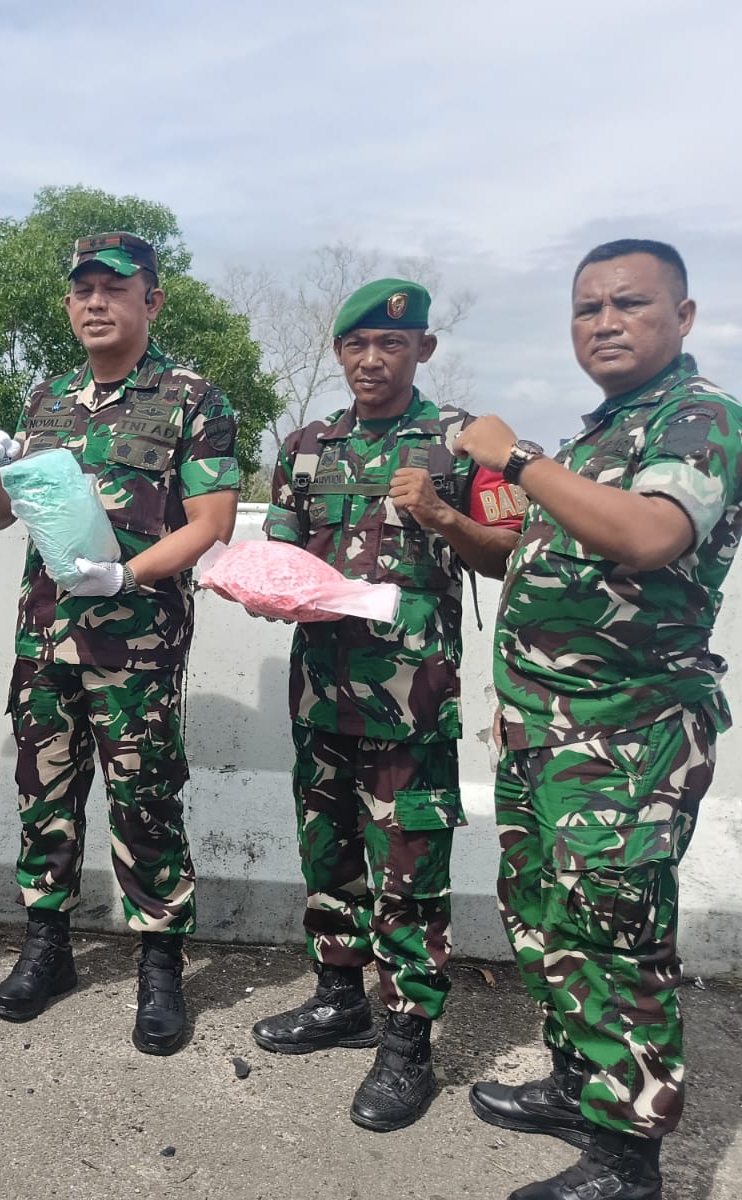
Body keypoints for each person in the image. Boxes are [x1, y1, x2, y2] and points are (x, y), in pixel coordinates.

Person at [458, 240, 741, 1200]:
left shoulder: (700, 420)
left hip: (629, 739)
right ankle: (580, 1084)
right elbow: (537, 560)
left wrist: (516, 456)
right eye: (588, 308)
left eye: (630, 303)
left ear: (683, 317)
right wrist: (455, 525)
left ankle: (629, 1161)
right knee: (549, 920)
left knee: (619, 942)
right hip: (546, 737)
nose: (606, 322)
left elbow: (651, 534)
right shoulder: (595, 442)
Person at [251, 278, 520, 1130]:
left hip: (414, 707)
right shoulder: (307, 447)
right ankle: (340, 999)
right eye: (357, 345)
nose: (372, 360)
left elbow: (506, 553)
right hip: (319, 698)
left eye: (392, 344)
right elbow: (281, 551)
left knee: (409, 876)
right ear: (339, 352)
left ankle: (408, 1043)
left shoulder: (460, 445)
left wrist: (441, 514)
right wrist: (265, 589)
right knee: (327, 859)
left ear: (423, 350)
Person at [0, 231, 239, 1056]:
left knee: (145, 800)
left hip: (138, 645)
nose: (96, 302)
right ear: (68, 305)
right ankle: (46, 946)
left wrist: (128, 576)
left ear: (151, 300)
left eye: (114, 289)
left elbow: (213, 522)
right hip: (46, 637)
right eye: (83, 289)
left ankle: (160, 963)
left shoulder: (193, 399)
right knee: (42, 794)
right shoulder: (45, 400)